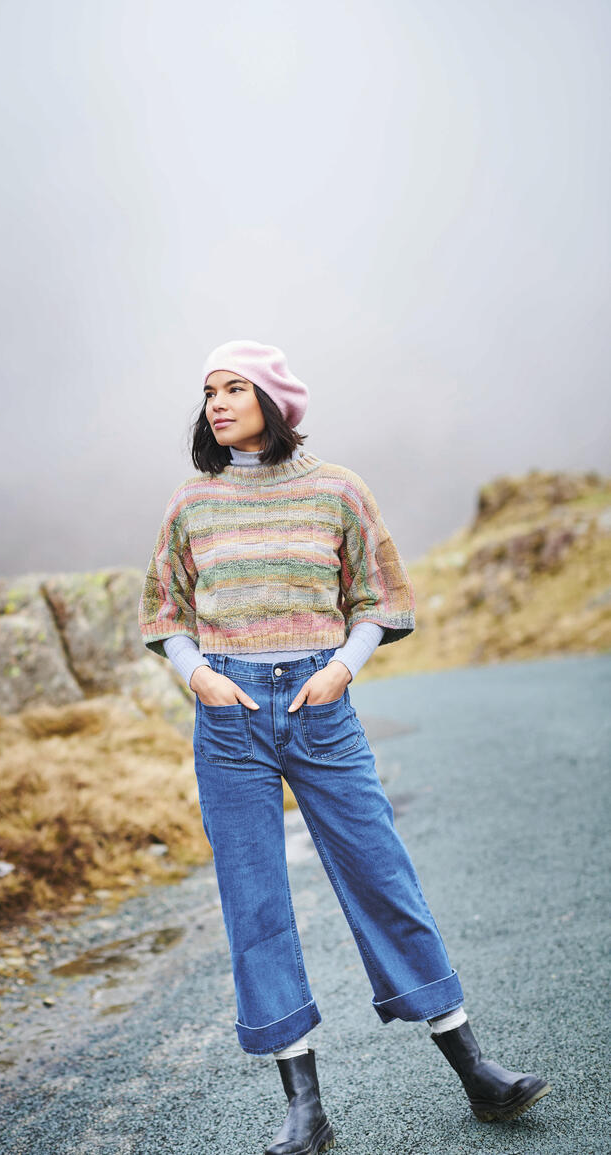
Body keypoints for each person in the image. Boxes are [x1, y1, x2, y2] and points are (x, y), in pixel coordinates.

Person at [137, 339, 551, 1154]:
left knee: (381, 873)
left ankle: (477, 1072)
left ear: (273, 401)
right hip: (228, 715)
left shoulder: (337, 490)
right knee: (254, 902)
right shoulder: (192, 500)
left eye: (233, 389)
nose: (216, 404)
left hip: (321, 705)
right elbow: (162, 612)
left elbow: (380, 595)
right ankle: (305, 1109)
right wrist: (198, 677)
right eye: (209, 391)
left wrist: (342, 668)